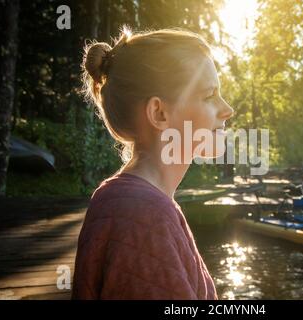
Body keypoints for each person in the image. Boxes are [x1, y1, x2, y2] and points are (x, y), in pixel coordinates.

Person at [72, 27, 234, 299]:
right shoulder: (142, 213)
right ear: (159, 113)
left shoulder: (142, 202)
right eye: (209, 95)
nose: (228, 109)